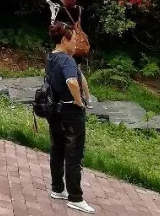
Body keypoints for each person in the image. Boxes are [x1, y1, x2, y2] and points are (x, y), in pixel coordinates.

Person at [44, 22, 95, 212]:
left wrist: (87, 97)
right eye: (73, 39)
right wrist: (80, 102)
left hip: (54, 111)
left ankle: (57, 189)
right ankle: (75, 197)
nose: (75, 43)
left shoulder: (51, 57)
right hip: (70, 113)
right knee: (74, 155)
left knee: (57, 149)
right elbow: (72, 82)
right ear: (65, 40)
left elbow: (79, 78)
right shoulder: (67, 60)